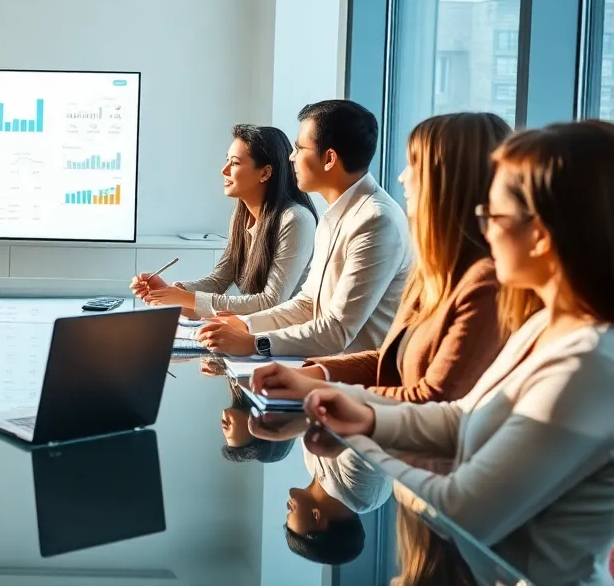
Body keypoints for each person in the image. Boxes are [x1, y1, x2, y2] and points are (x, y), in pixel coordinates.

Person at [303, 121, 614, 586]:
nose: (485, 231)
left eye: (496, 216)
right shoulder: (545, 323)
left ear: (543, 235)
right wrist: (363, 415)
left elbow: (460, 512)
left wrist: (359, 440)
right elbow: (462, 417)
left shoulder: (588, 364)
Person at [252, 113, 533, 404]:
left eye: (414, 164)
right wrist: (313, 375)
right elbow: (389, 361)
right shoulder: (433, 274)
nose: (402, 176)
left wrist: (319, 389)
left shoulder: (483, 285)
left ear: (449, 181)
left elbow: (432, 398)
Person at [199, 100, 411, 358]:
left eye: (299, 148)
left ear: (330, 158)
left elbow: (337, 331)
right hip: (323, 369)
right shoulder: (335, 215)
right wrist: (244, 324)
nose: (291, 157)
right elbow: (307, 305)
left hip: (357, 382)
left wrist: (254, 342)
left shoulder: (376, 220)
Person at [131, 124, 316, 316]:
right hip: (254, 334)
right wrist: (171, 291)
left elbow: (271, 302)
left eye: (234, 163)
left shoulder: (295, 220)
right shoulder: (241, 217)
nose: (224, 170)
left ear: (265, 173)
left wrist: (184, 298)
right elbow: (218, 282)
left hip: (286, 341)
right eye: (227, 161)